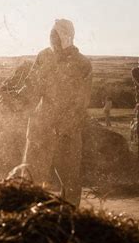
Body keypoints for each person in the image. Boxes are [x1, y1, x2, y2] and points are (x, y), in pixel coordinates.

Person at [15, 19, 92, 206]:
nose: (52, 39)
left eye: (56, 35)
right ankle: (31, 219)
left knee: (70, 182)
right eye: (51, 35)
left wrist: (65, 126)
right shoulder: (44, 57)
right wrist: (14, 99)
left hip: (68, 132)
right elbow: (32, 89)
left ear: (67, 36)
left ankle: (69, 222)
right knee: (32, 179)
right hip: (41, 128)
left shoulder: (82, 64)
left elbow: (82, 101)